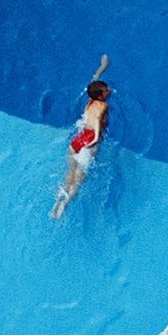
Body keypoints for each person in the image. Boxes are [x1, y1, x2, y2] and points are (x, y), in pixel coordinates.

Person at [51, 58, 111, 219]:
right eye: (106, 90)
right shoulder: (103, 106)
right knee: (78, 181)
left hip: (78, 140)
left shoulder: (91, 100)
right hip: (89, 142)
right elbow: (97, 125)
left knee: (69, 175)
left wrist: (103, 66)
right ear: (101, 95)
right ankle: (64, 204)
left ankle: (57, 200)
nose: (109, 90)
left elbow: (94, 79)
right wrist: (96, 139)